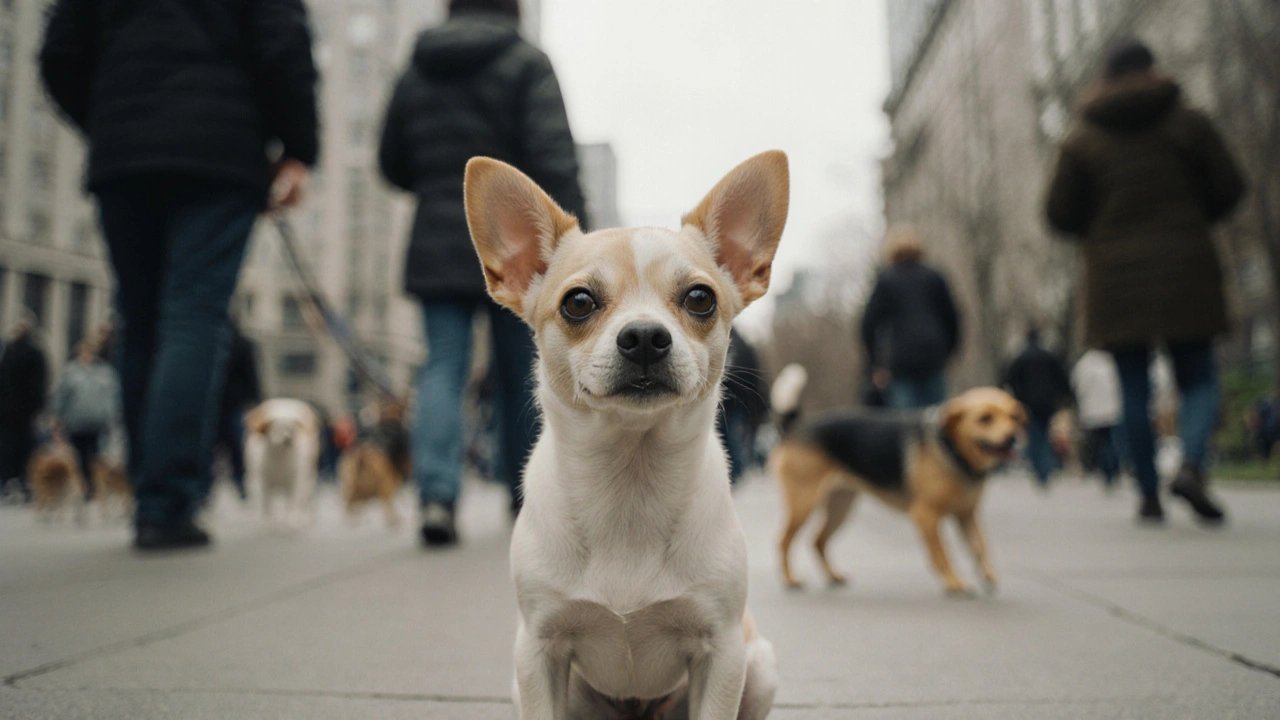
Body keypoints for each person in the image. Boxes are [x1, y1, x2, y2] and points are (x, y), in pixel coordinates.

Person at [41, 0, 319, 549]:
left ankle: (148, 491)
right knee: (193, 317)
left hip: (124, 152)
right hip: (220, 149)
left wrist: (106, 117)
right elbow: (283, 43)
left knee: (138, 320)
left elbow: (59, 53)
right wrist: (296, 148)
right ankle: (166, 501)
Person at [378, 0, 587, 547]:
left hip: (436, 240)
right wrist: (576, 250)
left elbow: (390, 160)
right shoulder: (526, 62)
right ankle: (525, 497)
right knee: (520, 367)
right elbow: (554, 156)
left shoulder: (417, 67)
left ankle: (437, 498)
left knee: (442, 367)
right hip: (521, 244)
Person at [1046, 39, 1244, 523]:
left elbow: (1058, 213)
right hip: (1186, 268)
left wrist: (1100, 229)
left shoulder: (1082, 139)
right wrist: (1194, 218)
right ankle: (1192, 464)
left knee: (1132, 391)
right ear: (1153, 68)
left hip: (1117, 281)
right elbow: (1230, 186)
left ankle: (1150, 494)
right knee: (1197, 378)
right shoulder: (1188, 123)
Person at [860, 225, 962, 409]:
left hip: (901, 362)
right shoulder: (934, 277)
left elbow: (868, 324)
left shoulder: (886, 280)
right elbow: (952, 318)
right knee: (936, 418)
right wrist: (950, 351)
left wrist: (875, 363)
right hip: (933, 358)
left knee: (905, 423)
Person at [1003, 330, 1074, 487]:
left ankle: (1039, 468)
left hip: (1027, 403)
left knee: (1034, 435)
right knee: (1044, 434)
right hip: (1048, 403)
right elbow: (1062, 377)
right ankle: (1044, 469)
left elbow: (1009, 379)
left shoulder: (1021, 357)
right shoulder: (1049, 356)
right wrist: (1065, 396)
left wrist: (1017, 397)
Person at [53, 340, 121, 499]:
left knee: (96, 457)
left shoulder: (105, 372)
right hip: (76, 421)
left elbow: (112, 396)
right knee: (78, 456)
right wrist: (58, 417)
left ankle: (95, 486)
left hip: (98, 421)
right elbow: (61, 396)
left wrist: (112, 416)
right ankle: (82, 486)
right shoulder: (70, 372)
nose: (87, 356)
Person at [0, 316, 49, 502]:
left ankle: (8, 480)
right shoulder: (36, 352)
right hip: (26, 411)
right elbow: (40, 383)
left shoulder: (8, 351)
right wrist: (39, 406)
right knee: (26, 446)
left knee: (7, 446)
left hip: (7, 410)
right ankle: (23, 479)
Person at [213, 322, 261, 500]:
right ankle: (240, 483)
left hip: (218, 402)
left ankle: (204, 487)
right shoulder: (243, 343)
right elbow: (252, 375)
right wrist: (255, 400)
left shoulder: (213, 340)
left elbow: (251, 375)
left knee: (212, 446)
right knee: (236, 446)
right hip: (233, 403)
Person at [718, 327, 769, 483]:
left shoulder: (735, 346)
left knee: (731, 452)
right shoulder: (744, 346)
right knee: (733, 452)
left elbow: (754, 382)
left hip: (732, 407)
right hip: (736, 408)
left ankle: (729, 481)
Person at [1071, 349, 1123, 489]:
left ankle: (1105, 469)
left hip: (1093, 409)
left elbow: (1078, 386)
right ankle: (1112, 469)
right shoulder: (1112, 361)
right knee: (1111, 442)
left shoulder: (1085, 363)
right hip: (1113, 409)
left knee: (1100, 442)